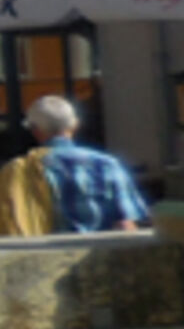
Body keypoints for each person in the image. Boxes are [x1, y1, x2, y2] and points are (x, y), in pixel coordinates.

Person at [26, 95, 149, 233]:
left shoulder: (23, 169)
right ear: (75, 125)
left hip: (48, 252)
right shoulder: (107, 164)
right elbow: (125, 224)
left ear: (35, 131)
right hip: (98, 251)